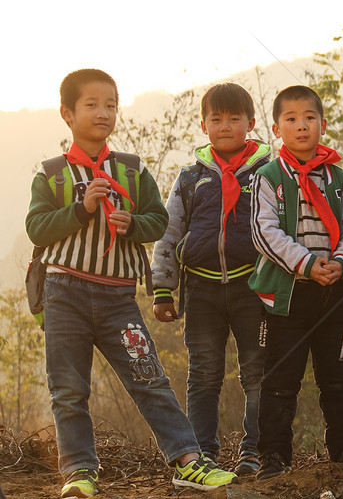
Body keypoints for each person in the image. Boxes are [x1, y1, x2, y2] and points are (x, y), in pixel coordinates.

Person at [25, 69, 237, 497]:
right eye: (92, 105)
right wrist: (82, 209)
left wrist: (133, 224)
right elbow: (36, 229)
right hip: (63, 293)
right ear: (67, 113)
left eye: (111, 105)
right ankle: (80, 473)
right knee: (68, 389)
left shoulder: (132, 170)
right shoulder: (51, 173)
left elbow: (159, 220)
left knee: (150, 377)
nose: (104, 113)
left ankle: (188, 461)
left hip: (119, 297)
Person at [248, 85, 343, 480]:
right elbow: (264, 231)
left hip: (336, 291)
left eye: (309, 118)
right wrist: (306, 264)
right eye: (291, 119)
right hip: (288, 294)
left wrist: (340, 262)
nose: (301, 126)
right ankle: (273, 455)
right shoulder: (267, 177)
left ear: (322, 123)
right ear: (276, 128)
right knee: (280, 380)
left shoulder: (339, 178)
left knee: (338, 378)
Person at [151, 82, 271, 476]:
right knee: (203, 374)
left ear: (251, 123)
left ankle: (254, 450)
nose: (224, 126)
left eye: (234, 118)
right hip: (200, 288)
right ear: (203, 125)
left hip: (254, 287)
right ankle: (201, 453)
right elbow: (168, 234)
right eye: (216, 119)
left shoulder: (268, 173)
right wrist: (163, 288)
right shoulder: (190, 177)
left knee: (257, 371)